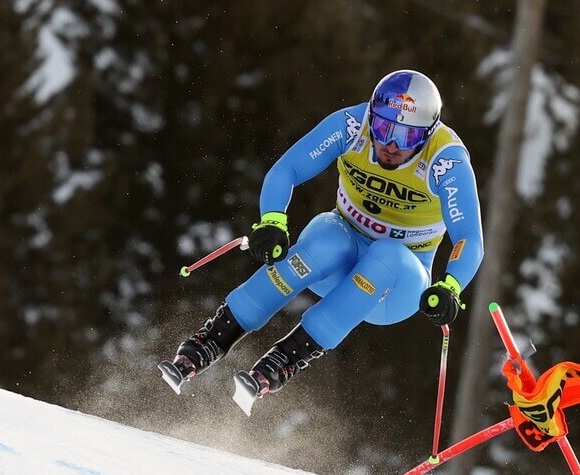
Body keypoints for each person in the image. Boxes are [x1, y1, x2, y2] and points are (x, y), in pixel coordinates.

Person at [158, 69, 484, 413]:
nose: (391, 145)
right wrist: (272, 220)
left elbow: (470, 239)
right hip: (341, 253)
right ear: (371, 115)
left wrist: (450, 285)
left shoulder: (446, 160)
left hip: (395, 285)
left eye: (406, 137)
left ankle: (285, 360)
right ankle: (211, 339)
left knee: (388, 253)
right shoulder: (352, 125)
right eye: (385, 128)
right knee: (325, 239)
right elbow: (287, 169)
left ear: (428, 134)